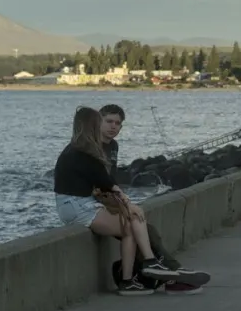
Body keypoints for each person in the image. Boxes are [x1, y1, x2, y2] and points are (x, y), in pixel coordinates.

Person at [54, 106, 178, 296]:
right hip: (76, 205)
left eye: (117, 123)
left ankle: (134, 276)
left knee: (131, 226)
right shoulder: (83, 152)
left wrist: (125, 204)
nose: (109, 127)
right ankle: (146, 267)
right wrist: (128, 204)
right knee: (134, 222)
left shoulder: (80, 149)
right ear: (91, 126)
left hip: (81, 203)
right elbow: (106, 182)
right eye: (101, 123)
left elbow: (104, 181)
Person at [98, 104, 210, 295]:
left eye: (117, 123)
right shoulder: (92, 146)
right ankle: (174, 273)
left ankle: (168, 273)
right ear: (98, 121)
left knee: (147, 229)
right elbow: (99, 181)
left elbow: (110, 179)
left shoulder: (112, 146)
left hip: (107, 200)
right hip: (92, 205)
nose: (113, 126)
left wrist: (122, 202)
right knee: (142, 228)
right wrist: (124, 204)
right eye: (109, 121)